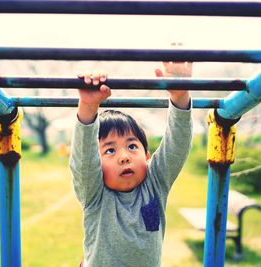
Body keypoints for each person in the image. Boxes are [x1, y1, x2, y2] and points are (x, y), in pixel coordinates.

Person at [70, 59, 193, 267]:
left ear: (147, 155)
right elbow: (83, 160)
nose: (124, 157)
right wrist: (88, 108)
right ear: (96, 164)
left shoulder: (155, 184)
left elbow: (176, 146)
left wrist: (180, 96)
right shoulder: (94, 194)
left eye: (132, 146)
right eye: (110, 150)